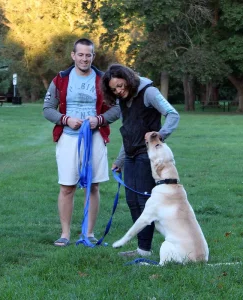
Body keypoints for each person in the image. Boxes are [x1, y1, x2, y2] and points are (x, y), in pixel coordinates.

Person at [43, 39, 120, 247]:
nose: (84, 59)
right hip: (68, 138)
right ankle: (65, 234)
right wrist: (66, 120)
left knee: (93, 186)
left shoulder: (104, 79)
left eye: (88, 55)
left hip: (94, 138)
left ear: (93, 57)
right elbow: (48, 109)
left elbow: (117, 108)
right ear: (73, 55)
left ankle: (90, 233)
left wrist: (99, 120)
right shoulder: (60, 79)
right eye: (81, 55)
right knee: (67, 187)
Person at [100, 64, 180, 257]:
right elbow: (129, 133)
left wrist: (159, 136)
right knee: (132, 201)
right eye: (114, 89)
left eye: (120, 85)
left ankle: (145, 249)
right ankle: (141, 249)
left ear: (128, 79)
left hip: (147, 155)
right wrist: (119, 161)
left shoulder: (149, 92)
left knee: (144, 201)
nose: (119, 91)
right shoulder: (122, 102)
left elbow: (173, 114)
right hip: (130, 156)